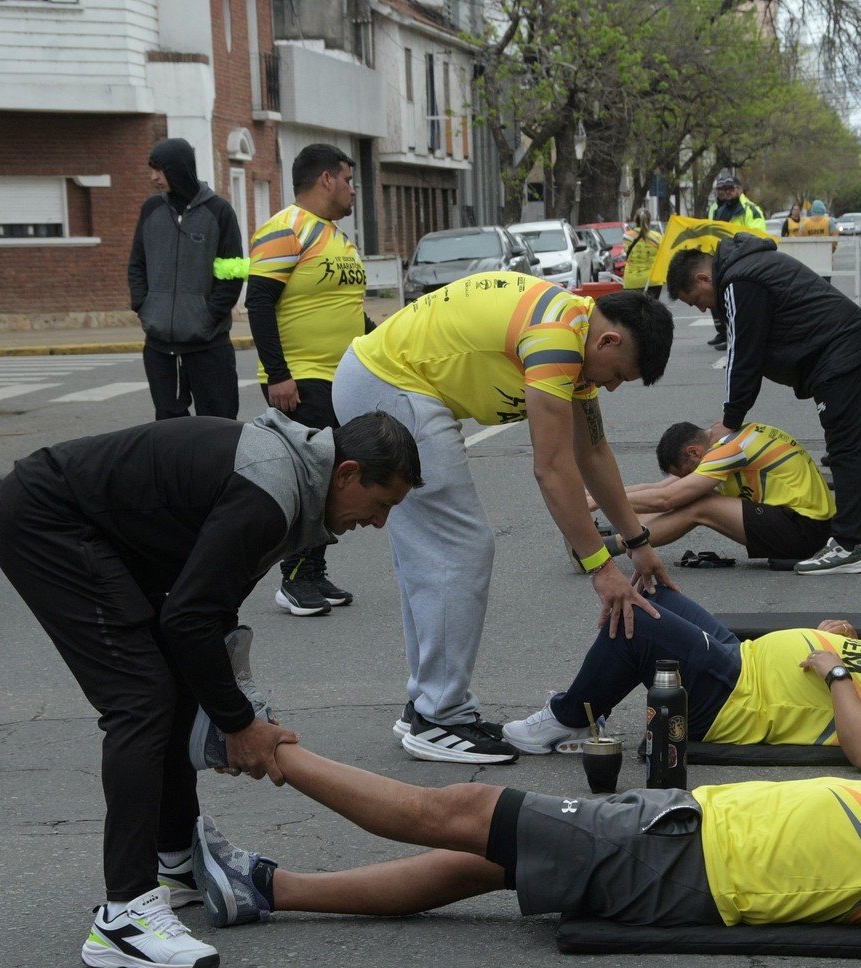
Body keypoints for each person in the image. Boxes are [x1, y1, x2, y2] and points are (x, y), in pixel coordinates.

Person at [0, 409, 422, 968]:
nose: (381, 521)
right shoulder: (269, 494)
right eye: (383, 502)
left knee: (167, 684)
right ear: (345, 473)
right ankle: (124, 916)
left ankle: (175, 864)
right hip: (48, 519)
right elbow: (189, 617)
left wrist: (235, 709)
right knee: (140, 700)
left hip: (94, 527)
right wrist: (240, 725)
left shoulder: (292, 485)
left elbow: (207, 613)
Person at [186, 716, 861, 936]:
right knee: (478, 861)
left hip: (683, 861)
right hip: (685, 831)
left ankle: (259, 747)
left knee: (461, 809)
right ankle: (262, 888)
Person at [332, 274, 675, 764]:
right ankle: (439, 716)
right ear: (609, 340)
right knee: (459, 547)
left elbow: (593, 452)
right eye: (618, 373)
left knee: (433, 553)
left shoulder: (576, 333)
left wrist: (637, 541)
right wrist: (601, 568)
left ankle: (427, 707)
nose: (612, 386)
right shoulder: (558, 339)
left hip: (388, 379)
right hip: (391, 383)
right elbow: (553, 467)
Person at [503, 586, 861, 763]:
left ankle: (569, 716)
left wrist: (836, 667)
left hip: (734, 698)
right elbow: (859, 680)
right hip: (741, 660)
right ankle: (585, 706)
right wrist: (838, 639)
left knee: (637, 616)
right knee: (654, 592)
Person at [666, 236, 861, 576]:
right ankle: (849, 535)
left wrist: (731, 418)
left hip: (842, 352)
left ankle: (847, 545)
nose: (703, 310)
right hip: (847, 346)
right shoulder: (746, 270)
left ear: (703, 279)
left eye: (697, 301)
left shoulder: (739, 281)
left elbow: (742, 356)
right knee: (848, 448)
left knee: (846, 450)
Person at [247, 143, 372, 617]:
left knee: (335, 475)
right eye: (348, 179)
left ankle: (312, 571)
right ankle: (293, 578)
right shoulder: (286, 229)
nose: (352, 190)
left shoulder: (337, 238)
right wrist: (279, 376)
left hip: (341, 376)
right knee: (315, 477)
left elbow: (349, 314)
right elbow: (258, 301)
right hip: (300, 378)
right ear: (325, 179)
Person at [594, 421, 833, 562]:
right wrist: (590, 496)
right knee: (690, 494)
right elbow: (660, 488)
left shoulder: (730, 449)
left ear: (693, 452)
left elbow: (667, 499)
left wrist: (598, 501)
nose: (686, 479)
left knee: (699, 504)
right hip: (798, 521)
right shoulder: (727, 441)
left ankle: (604, 548)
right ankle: (610, 532)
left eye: (686, 473)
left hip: (804, 531)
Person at [127, 138, 245, 423]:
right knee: (169, 427)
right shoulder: (151, 210)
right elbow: (137, 264)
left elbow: (233, 273)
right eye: (152, 170)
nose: (153, 177)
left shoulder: (219, 212)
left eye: (159, 170)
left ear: (178, 169)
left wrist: (207, 316)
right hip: (160, 348)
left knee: (219, 424)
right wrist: (144, 306)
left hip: (208, 345)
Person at [706, 172, 765, 349]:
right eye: (721, 189)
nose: (725, 192)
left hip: (741, 259)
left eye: (729, 188)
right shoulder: (715, 209)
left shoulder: (750, 210)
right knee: (718, 299)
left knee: (737, 301)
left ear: (739, 189)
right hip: (719, 259)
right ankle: (724, 333)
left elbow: (757, 235)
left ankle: (734, 337)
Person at [620, 208, 663, 297]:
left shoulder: (627, 236)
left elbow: (625, 252)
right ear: (649, 220)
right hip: (652, 281)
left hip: (631, 281)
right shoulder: (657, 237)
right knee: (650, 308)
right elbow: (662, 256)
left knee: (634, 309)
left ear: (636, 220)